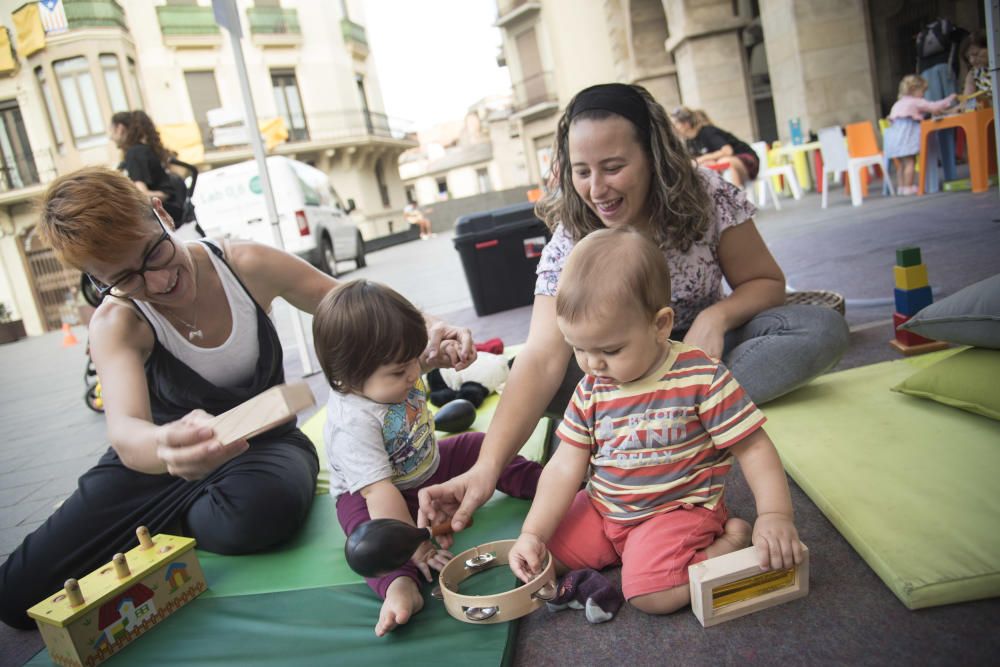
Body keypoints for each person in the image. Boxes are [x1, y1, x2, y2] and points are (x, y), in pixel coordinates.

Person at [0, 167, 474, 629]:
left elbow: (355, 303)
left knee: (262, 514)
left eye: (155, 254)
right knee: (18, 594)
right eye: (127, 279)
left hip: (263, 450)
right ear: (98, 280)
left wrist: (430, 327)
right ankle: (180, 514)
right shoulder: (117, 321)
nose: (158, 283)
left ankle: (177, 524)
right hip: (156, 468)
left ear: (161, 213)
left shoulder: (246, 265)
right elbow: (127, 433)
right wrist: (167, 445)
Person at [418, 82, 848, 537]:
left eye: (614, 167)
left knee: (819, 328)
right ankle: (673, 423)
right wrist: (487, 469)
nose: (596, 189)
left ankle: (669, 421)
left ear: (654, 157)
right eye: (581, 172)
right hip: (615, 375)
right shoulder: (570, 235)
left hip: (704, 360)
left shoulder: (707, 194)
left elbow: (766, 283)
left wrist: (714, 319)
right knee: (558, 375)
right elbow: (543, 357)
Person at [507, 228, 802, 617]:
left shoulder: (701, 377)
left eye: (610, 349)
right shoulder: (592, 388)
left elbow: (754, 447)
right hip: (605, 508)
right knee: (541, 560)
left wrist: (775, 516)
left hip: (676, 511)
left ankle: (725, 545)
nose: (592, 364)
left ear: (661, 324)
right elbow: (564, 467)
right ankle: (626, 551)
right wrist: (533, 533)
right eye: (578, 347)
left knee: (650, 595)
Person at [313, 279, 541, 636]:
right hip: (374, 492)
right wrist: (415, 545)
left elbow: (423, 358)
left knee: (481, 447)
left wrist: (448, 352)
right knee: (371, 540)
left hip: (427, 465)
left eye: (412, 361)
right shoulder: (352, 424)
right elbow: (381, 496)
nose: (414, 374)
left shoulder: (394, 363)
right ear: (348, 378)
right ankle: (399, 588)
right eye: (399, 372)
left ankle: (549, 482)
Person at [884, 75, 958, 195]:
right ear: (914, 89)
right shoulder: (916, 102)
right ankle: (909, 187)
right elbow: (934, 106)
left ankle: (901, 187)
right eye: (922, 91)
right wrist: (949, 99)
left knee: (902, 164)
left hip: (895, 138)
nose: (923, 95)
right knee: (910, 162)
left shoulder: (899, 103)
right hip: (906, 137)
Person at [110, 110, 186, 226]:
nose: (111, 137)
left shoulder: (134, 153)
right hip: (175, 217)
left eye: (111, 131)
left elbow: (142, 194)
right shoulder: (146, 150)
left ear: (120, 129)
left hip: (164, 222)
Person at [669, 106, 759, 187]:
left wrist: (702, 158)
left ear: (686, 124)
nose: (673, 128)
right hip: (725, 165)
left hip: (747, 160)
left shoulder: (707, 132)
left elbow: (727, 151)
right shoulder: (689, 141)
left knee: (724, 162)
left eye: (675, 124)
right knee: (705, 167)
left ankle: (737, 198)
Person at [961, 31, 992, 104]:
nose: (972, 60)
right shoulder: (973, 74)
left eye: (976, 54)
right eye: (968, 57)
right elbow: (966, 101)